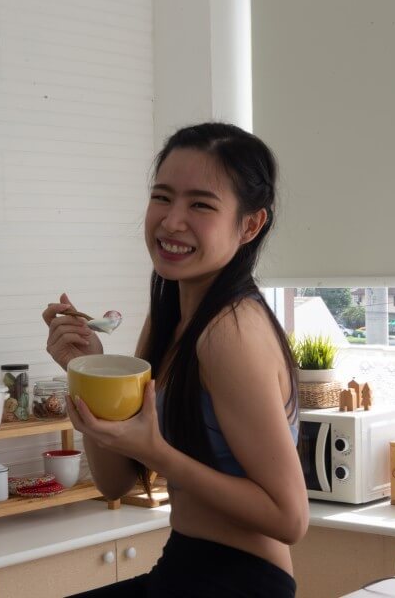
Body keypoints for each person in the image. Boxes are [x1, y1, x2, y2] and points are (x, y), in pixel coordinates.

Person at [42, 122, 309, 597]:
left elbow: (289, 518)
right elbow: (115, 483)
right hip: (184, 566)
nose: (170, 221)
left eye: (200, 204)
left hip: (239, 583)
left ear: (250, 225)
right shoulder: (172, 319)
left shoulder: (230, 333)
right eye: (162, 197)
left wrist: (157, 453)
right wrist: (89, 371)